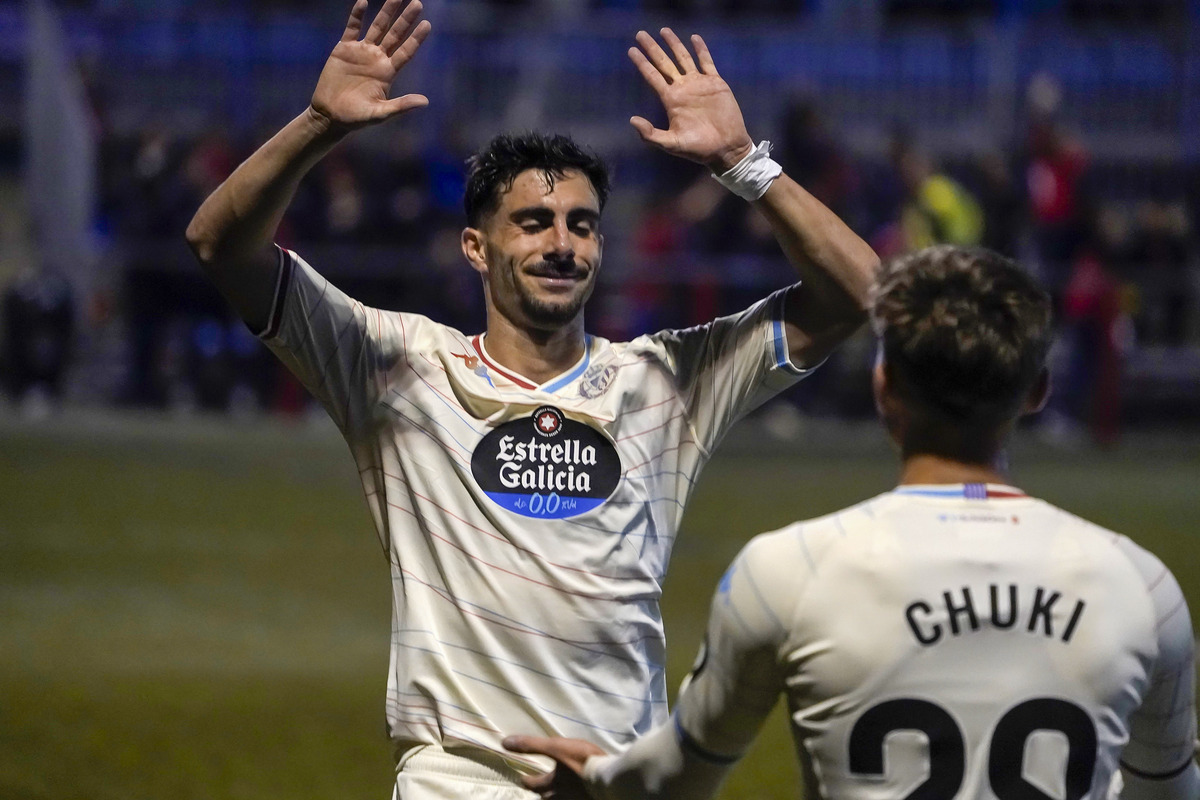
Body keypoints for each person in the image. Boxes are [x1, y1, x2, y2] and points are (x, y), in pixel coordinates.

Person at [185, 1, 879, 797]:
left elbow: (862, 296)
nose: (561, 242)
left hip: (618, 780)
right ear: (476, 248)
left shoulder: (666, 379)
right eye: (535, 221)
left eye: (582, 225)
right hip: (461, 782)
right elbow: (219, 244)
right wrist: (316, 125)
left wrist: (744, 164)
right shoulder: (398, 365)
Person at [505, 245, 1199, 800]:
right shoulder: (1139, 587)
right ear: (1038, 391)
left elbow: (674, 781)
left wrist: (595, 779)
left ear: (882, 387)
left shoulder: (788, 571)